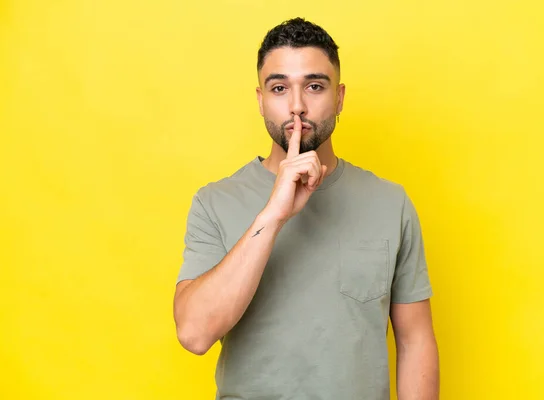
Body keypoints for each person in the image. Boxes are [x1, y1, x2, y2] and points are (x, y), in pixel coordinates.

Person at [173, 17, 439, 400]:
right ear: (261, 100)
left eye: (314, 86)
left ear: (340, 97)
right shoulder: (214, 203)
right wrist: (274, 214)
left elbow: (415, 341)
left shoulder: (390, 203)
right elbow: (195, 334)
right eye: (279, 88)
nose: (297, 106)